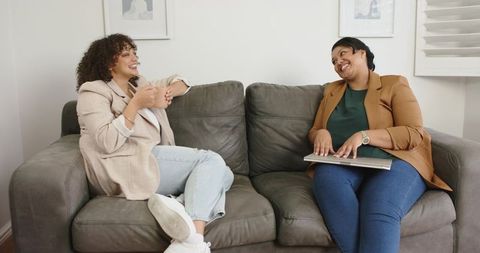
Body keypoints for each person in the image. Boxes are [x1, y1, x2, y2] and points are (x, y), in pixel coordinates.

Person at [76, 33, 233, 253]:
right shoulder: (93, 91)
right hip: (124, 164)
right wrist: (136, 105)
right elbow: (106, 142)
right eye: (126, 54)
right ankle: (194, 239)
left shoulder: (137, 85)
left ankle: (178, 207)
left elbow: (182, 81)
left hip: (151, 157)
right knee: (211, 160)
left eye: (135, 53)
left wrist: (166, 93)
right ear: (108, 61)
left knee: (225, 174)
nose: (135, 58)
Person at [308, 37, 452, 253]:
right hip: (344, 162)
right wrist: (320, 132)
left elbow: (413, 133)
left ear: (362, 53)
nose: (338, 62)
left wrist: (364, 136)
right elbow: (314, 130)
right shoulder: (331, 91)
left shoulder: (394, 84)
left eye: (343, 53)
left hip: (397, 162)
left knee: (378, 208)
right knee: (324, 178)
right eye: (333, 60)